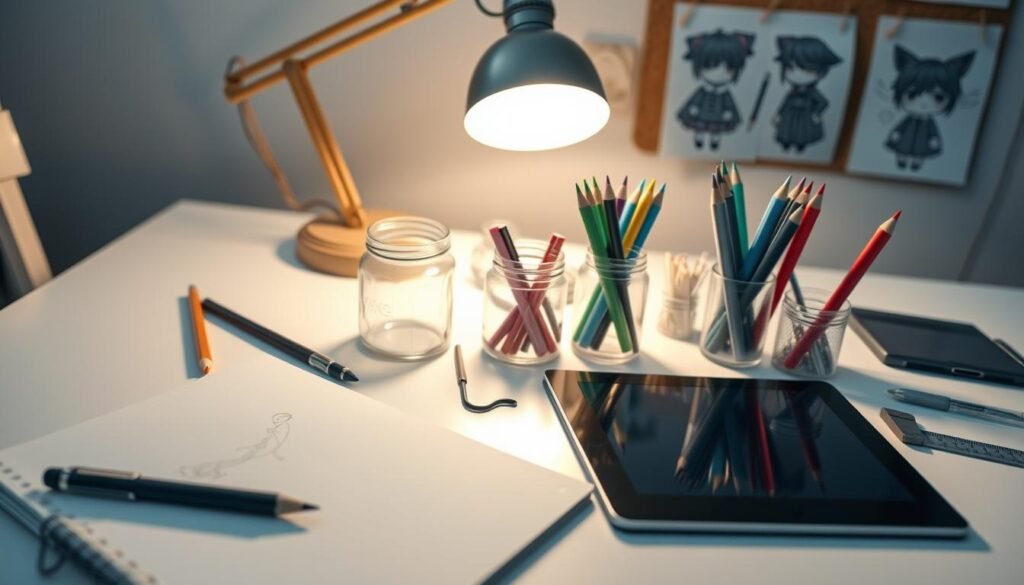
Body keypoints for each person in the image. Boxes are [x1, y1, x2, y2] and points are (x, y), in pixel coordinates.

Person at [885, 45, 974, 171]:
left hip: (921, 142)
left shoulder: (929, 123)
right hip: (905, 140)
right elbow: (901, 127)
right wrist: (896, 134)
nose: (924, 103)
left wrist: (933, 140)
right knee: (903, 149)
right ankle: (901, 160)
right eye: (913, 94)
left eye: (938, 97)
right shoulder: (909, 120)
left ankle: (916, 163)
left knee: (920, 151)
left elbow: (933, 132)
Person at [677, 29, 755, 150]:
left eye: (728, 68)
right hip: (702, 114)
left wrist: (729, 112)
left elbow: (730, 104)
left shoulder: (725, 93)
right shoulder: (702, 91)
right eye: (710, 66)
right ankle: (699, 139)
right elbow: (695, 100)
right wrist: (693, 108)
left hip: (718, 116)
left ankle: (714, 142)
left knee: (716, 131)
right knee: (699, 128)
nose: (719, 73)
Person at [772, 36, 842, 153]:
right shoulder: (792, 92)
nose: (798, 74)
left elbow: (823, 102)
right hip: (789, 115)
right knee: (786, 131)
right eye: (791, 68)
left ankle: (800, 145)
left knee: (802, 133)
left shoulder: (812, 92)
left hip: (805, 116)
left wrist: (816, 113)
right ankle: (785, 142)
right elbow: (784, 103)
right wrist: (778, 115)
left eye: (808, 70)